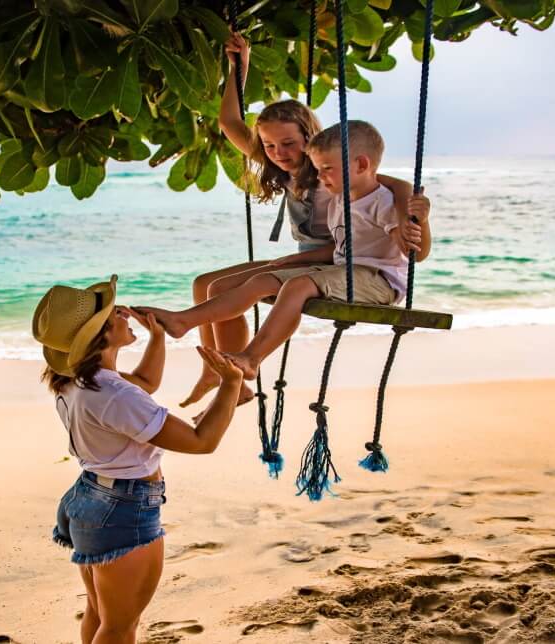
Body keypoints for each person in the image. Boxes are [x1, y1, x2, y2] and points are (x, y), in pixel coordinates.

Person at [180, 31, 417, 408]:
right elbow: (229, 122)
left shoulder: (330, 174)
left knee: (221, 289)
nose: (278, 153)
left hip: (328, 260)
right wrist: (238, 68)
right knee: (205, 284)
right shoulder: (288, 168)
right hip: (310, 258)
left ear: (309, 137)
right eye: (270, 145)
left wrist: (409, 209)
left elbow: (396, 184)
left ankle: (236, 375)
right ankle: (217, 372)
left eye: (289, 143)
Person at [32, 274, 242, 644]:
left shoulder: (78, 378)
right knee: (119, 627)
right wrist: (231, 384)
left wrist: (158, 337)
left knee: (101, 613)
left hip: (90, 498)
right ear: (100, 335)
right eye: (114, 315)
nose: (125, 314)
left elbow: (144, 382)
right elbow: (201, 441)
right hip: (123, 509)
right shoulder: (112, 394)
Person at [139, 121, 432, 381]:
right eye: (318, 170)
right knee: (262, 280)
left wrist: (421, 220)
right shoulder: (339, 199)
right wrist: (295, 259)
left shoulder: (382, 202)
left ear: (362, 165)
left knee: (296, 286)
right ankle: (184, 321)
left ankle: (251, 358)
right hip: (341, 271)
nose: (321, 177)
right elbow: (342, 247)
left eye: (327, 169)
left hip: (378, 280)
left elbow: (416, 253)